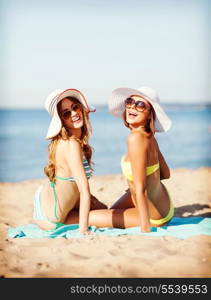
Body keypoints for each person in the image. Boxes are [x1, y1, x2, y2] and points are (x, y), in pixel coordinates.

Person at [65, 86, 174, 233]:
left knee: (80, 218)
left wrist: (145, 229)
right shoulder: (150, 137)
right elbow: (165, 174)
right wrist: (134, 187)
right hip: (165, 205)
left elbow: (141, 190)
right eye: (130, 102)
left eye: (140, 105)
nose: (132, 107)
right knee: (112, 211)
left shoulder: (135, 139)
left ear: (150, 114)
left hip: (154, 215)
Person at [33, 88, 107, 234]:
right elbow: (84, 190)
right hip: (53, 218)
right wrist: (83, 229)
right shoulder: (72, 144)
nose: (74, 114)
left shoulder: (67, 141)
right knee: (109, 217)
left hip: (48, 200)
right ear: (61, 120)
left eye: (75, 107)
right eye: (66, 113)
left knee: (103, 208)